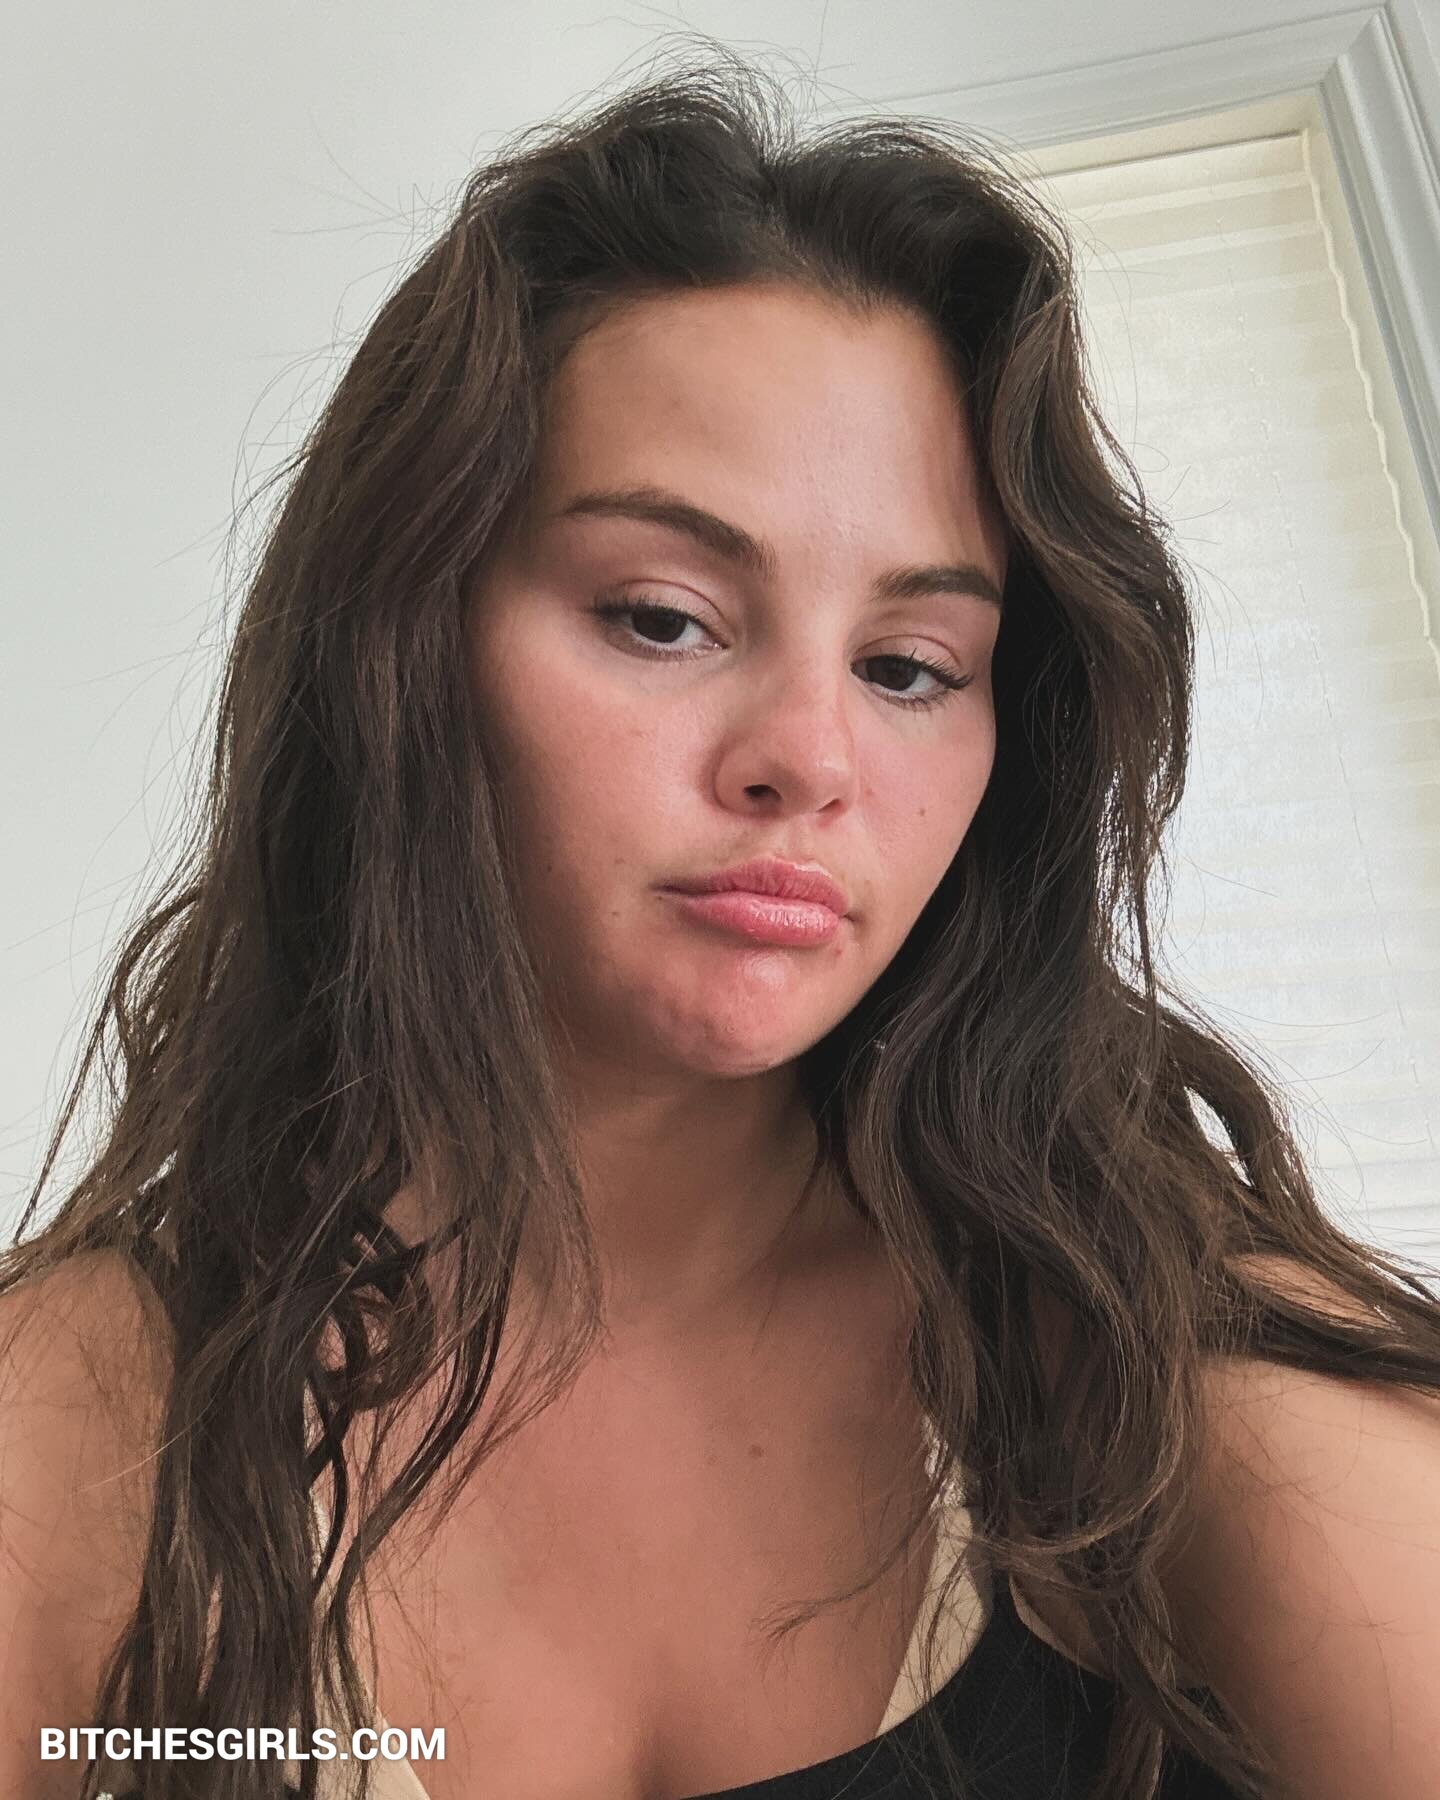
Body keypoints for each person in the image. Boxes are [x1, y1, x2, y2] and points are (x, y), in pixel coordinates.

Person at [3, 44, 1439, 1800]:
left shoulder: (1142, 1348)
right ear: (404, 647)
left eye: (910, 667)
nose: (811, 761)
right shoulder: (83, 1419)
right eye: (664, 618)